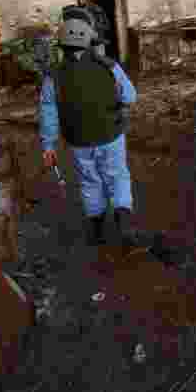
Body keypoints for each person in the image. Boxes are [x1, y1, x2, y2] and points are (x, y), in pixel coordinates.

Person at [39, 18, 137, 247]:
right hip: (111, 134)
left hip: (78, 140)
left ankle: (97, 232)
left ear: (61, 46)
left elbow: (48, 112)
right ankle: (124, 226)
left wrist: (48, 145)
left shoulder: (53, 75)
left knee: (89, 181)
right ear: (90, 41)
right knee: (117, 177)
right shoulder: (109, 66)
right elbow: (130, 97)